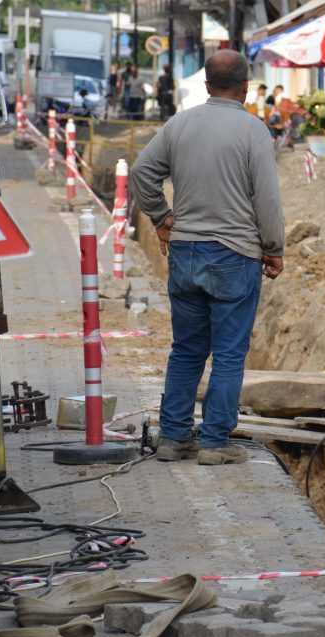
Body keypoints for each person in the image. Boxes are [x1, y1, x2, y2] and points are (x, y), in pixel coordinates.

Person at [129, 50, 285, 465]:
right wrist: (273, 248)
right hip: (235, 255)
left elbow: (142, 173)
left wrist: (161, 217)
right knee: (229, 354)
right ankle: (215, 443)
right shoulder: (253, 131)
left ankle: (174, 438)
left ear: (206, 84)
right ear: (247, 86)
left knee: (186, 350)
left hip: (185, 253)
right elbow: (267, 199)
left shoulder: (179, 124)